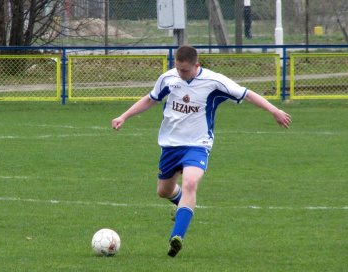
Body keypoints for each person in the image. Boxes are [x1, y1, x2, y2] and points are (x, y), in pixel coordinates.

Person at [111, 45, 291, 257]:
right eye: (178, 68)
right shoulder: (168, 78)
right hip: (170, 144)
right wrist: (124, 116)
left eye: (185, 70)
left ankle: (176, 238)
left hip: (198, 144)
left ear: (197, 65)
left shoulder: (214, 82)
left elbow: (247, 94)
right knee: (164, 192)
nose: (180, 73)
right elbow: (151, 98)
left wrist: (274, 110)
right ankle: (183, 206)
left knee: (190, 183)